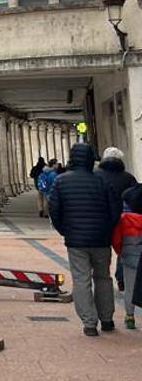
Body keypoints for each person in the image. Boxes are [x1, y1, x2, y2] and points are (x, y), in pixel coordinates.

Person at [48, 142, 122, 336]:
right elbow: (115, 210)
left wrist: (65, 230)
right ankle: (107, 319)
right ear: (91, 159)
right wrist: (106, 229)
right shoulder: (102, 181)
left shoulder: (61, 181)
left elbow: (54, 211)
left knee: (81, 279)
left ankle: (89, 323)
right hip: (100, 239)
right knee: (104, 277)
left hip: (76, 240)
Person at [96, 147, 137, 290]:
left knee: (102, 250)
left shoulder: (95, 176)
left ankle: (102, 277)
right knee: (123, 248)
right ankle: (121, 277)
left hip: (101, 219)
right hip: (124, 219)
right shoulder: (128, 177)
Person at [111, 183, 142, 329]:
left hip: (130, 257)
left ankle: (130, 316)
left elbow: (117, 240)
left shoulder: (124, 219)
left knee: (130, 286)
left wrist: (121, 253)